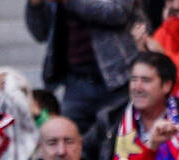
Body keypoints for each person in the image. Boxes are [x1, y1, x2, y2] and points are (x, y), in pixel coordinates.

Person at [25, 0, 138, 133]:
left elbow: (118, 12)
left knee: (119, 143)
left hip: (117, 79)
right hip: (75, 82)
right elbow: (40, 33)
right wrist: (36, 6)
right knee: (70, 143)